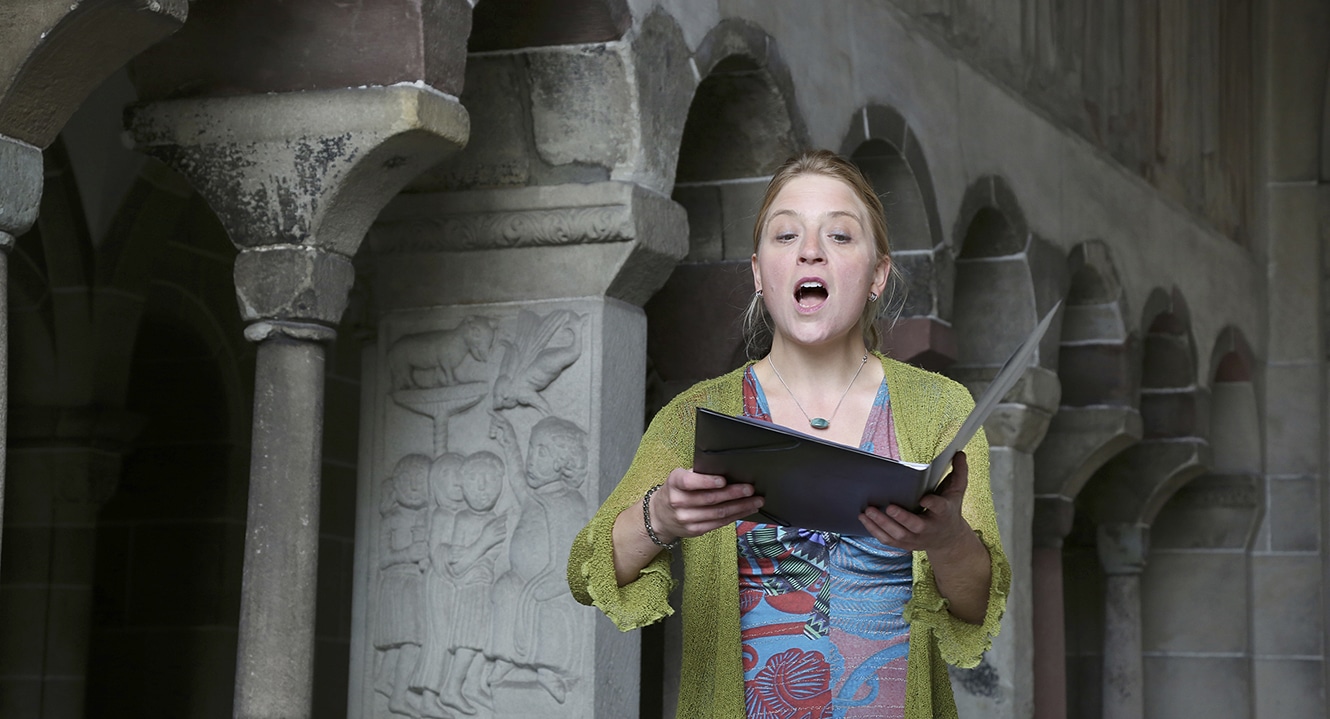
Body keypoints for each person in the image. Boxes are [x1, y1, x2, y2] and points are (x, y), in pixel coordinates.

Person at [567, 149, 1010, 718]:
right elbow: (587, 571)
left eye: (840, 236)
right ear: (759, 273)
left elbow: (978, 608)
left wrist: (948, 541)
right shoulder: (694, 415)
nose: (810, 251)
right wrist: (661, 518)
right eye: (786, 235)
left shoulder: (940, 408)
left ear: (878, 274)